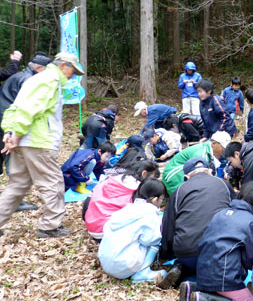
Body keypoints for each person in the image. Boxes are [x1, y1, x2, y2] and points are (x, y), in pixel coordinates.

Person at [0, 52, 83, 239]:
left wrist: (9, 132)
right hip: (39, 142)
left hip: (23, 141)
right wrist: (17, 135)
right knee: (53, 183)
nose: (73, 76)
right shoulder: (50, 81)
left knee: (17, 185)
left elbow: (15, 107)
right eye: (73, 71)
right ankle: (50, 226)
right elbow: (30, 109)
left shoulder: (35, 79)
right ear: (63, 66)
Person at [180, 181, 253, 301]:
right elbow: (250, 259)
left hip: (202, 271)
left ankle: (193, 288)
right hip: (224, 277)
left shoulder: (220, 213)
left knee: (221, 286)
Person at [159, 156, 235, 275]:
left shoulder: (179, 191)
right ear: (210, 171)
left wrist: (164, 255)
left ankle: (182, 268)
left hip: (187, 253)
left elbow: (168, 227)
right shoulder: (223, 184)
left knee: (192, 263)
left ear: (187, 176)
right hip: (221, 251)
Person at [0, 51, 51, 211]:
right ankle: (14, 202)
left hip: (3, 119)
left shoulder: (17, 76)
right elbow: (26, 109)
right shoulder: (30, 80)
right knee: (13, 161)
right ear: (39, 68)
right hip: (8, 124)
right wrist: (15, 131)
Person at [97, 179, 167, 282]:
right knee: (155, 240)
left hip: (105, 260)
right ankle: (143, 272)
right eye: (161, 199)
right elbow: (149, 240)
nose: (161, 202)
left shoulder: (128, 209)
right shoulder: (150, 213)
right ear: (153, 199)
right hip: (123, 266)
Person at [83, 159, 159, 240]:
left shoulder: (114, 177)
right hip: (106, 232)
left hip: (92, 224)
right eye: (152, 178)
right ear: (144, 173)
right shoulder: (135, 188)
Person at [162, 131, 231, 195]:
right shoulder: (202, 154)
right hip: (175, 175)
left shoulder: (211, 151)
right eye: (223, 148)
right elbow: (202, 176)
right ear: (213, 144)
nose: (224, 151)